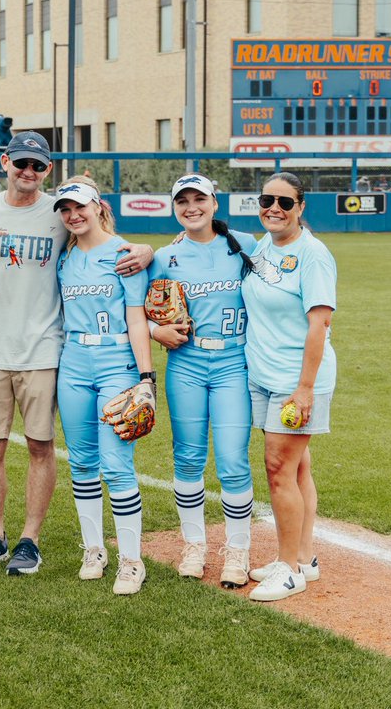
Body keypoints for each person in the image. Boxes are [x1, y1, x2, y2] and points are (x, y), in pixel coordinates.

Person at [0, 132, 152, 576]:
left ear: (48, 169)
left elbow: (120, 272)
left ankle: (30, 541)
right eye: (21, 163)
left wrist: (147, 249)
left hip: (47, 352)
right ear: (5, 162)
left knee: (41, 447)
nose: (28, 171)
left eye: (38, 165)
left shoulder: (58, 216)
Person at [147, 174, 257, 587]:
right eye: (183, 201)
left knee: (232, 459)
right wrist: (158, 332)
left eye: (199, 199)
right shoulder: (165, 256)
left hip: (233, 361)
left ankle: (238, 550)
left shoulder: (246, 244)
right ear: (174, 208)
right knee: (188, 457)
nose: (191, 207)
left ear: (214, 203)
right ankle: (194, 545)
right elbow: (137, 307)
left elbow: (285, 267)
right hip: (187, 363)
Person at [53, 177, 156, 595]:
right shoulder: (64, 258)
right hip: (73, 363)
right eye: (65, 209)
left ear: (98, 206)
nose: (73, 215)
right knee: (81, 462)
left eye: (80, 207)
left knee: (115, 463)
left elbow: (136, 317)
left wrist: (146, 379)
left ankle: (132, 560)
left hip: (116, 362)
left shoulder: (124, 253)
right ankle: (94, 549)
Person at [240, 173, 338, 602]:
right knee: (298, 468)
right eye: (267, 200)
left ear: (301, 208)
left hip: (294, 381)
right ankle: (304, 556)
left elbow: (320, 325)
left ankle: (289, 569)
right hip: (263, 375)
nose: (274, 208)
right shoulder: (263, 244)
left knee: (278, 471)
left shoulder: (313, 255)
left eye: (285, 202)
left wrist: (304, 389)